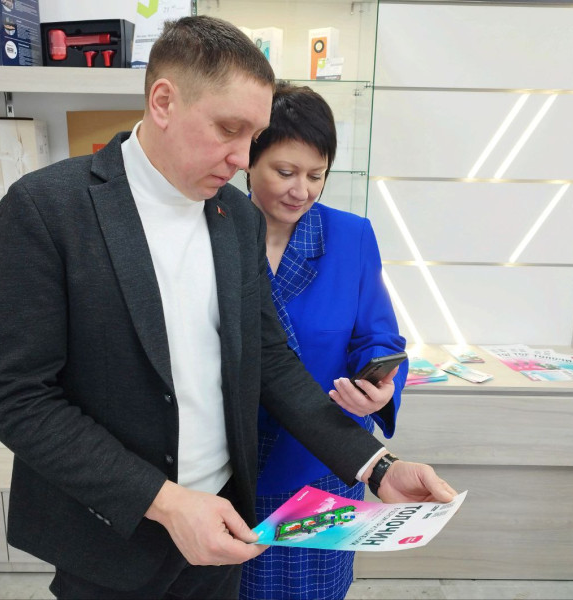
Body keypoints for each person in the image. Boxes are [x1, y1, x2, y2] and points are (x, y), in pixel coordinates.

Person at [0, 15, 456, 600]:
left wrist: (377, 467)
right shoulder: (48, 209)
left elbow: (272, 361)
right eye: (229, 129)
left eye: (254, 136)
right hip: (110, 538)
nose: (243, 158)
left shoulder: (236, 218)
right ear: (163, 101)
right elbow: (17, 398)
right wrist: (166, 503)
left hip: (225, 527)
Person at [239, 83, 409, 600]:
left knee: (317, 590)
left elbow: (378, 335)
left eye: (317, 175)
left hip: (325, 461)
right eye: (285, 172)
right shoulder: (215, 233)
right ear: (248, 160)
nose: (302, 190)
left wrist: (379, 383)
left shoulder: (351, 236)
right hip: (236, 461)